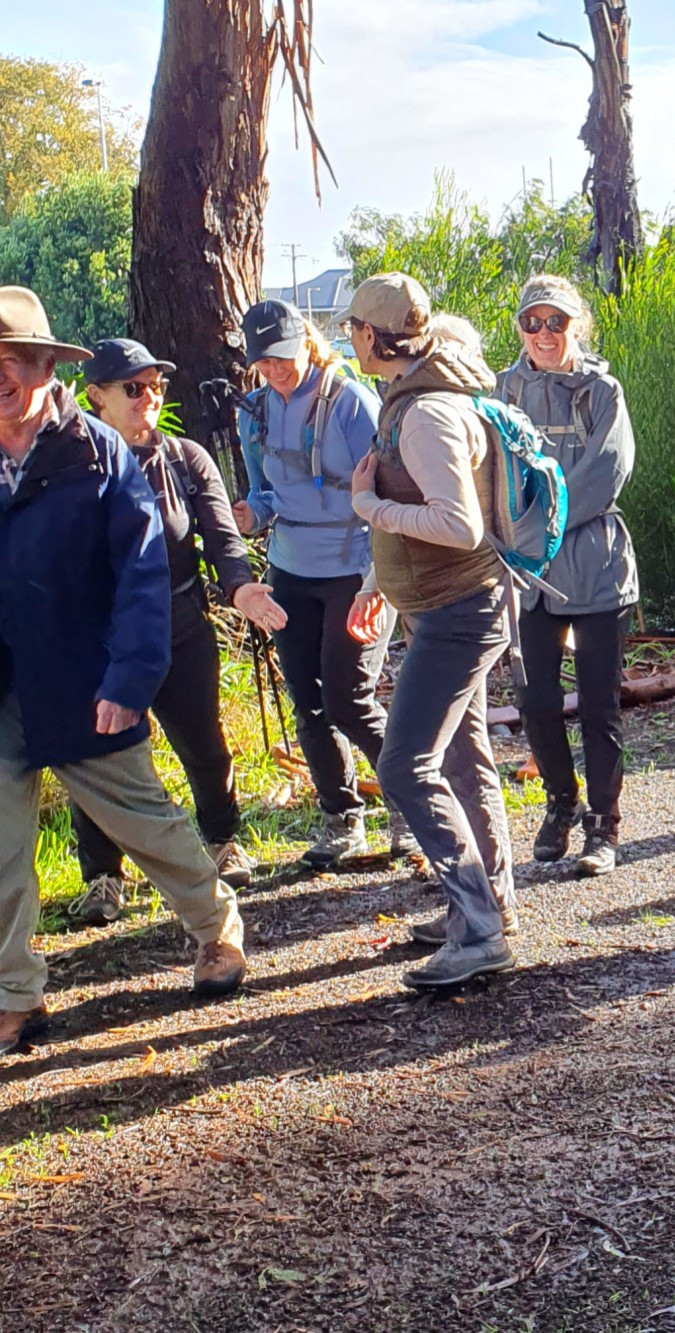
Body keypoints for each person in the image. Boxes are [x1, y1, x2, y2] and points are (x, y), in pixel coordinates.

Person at [0, 286, 248, 1046]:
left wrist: (129, 678)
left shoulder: (95, 453)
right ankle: (15, 992)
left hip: (84, 679)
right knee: (0, 845)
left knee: (142, 820)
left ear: (46, 366)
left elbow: (143, 572)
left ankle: (217, 926)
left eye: (12, 361)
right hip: (3, 686)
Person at [64, 339, 285, 922]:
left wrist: (241, 588)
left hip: (179, 622)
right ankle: (102, 879)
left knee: (204, 745)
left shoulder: (186, 459)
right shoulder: (70, 464)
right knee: (100, 754)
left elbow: (221, 537)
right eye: (132, 389)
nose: (149, 398)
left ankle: (222, 839)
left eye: (155, 386)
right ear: (96, 398)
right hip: (102, 638)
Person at [342, 273, 519, 989]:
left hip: (460, 612)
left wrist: (367, 507)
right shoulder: (407, 397)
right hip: (442, 607)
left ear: (376, 336)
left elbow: (457, 523)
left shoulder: (426, 413)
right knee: (461, 758)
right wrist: (377, 584)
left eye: (354, 323)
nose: (347, 334)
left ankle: (478, 927)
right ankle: (488, 907)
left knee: (403, 765)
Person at [232, 298, 400, 869]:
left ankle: (411, 803)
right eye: (264, 361)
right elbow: (263, 494)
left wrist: (380, 581)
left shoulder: (352, 402)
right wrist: (249, 516)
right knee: (308, 702)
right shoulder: (251, 412)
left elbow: (389, 492)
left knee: (349, 699)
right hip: (290, 569)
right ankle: (341, 818)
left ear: (306, 341)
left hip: (355, 569)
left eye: (283, 356)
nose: (276, 370)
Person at [494, 275, 638, 878]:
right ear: (521, 328)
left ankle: (603, 826)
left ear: (576, 324)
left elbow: (609, 470)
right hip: (529, 577)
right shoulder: (503, 389)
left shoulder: (602, 391)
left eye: (556, 322)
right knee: (536, 700)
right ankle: (561, 800)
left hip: (597, 567)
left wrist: (540, 526)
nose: (544, 334)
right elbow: (488, 467)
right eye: (533, 323)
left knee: (600, 704)